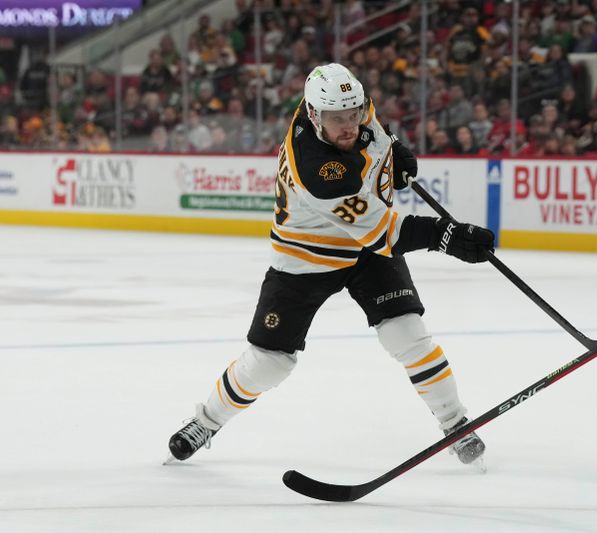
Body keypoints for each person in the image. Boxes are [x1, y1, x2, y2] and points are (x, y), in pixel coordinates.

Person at [165, 63, 494, 469]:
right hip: (305, 258)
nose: (350, 126)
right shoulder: (318, 168)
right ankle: (206, 421)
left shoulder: (352, 107)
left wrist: (394, 151)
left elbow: (376, 127)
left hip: (363, 253)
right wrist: (447, 235)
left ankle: (456, 423)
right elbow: (386, 234)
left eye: (353, 114)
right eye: (338, 120)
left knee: (407, 334)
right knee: (269, 363)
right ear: (314, 114)